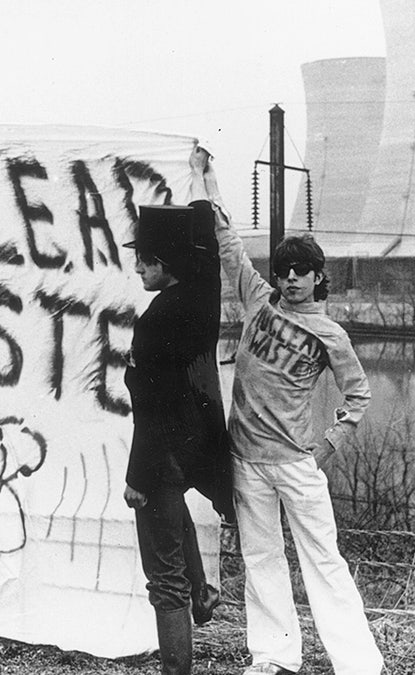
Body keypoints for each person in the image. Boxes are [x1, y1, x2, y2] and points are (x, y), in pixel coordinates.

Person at [201, 153, 382, 674]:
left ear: (320, 277)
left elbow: (358, 394)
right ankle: (275, 657)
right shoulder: (259, 303)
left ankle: (359, 666)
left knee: (324, 561)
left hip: (296, 463)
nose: (292, 279)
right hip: (246, 460)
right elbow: (231, 251)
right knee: (261, 561)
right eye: (284, 271)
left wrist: (330, 443)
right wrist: (211, 182)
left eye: (303, 271)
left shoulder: (330, 334)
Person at [122, 147, 234, 675]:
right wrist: (199, 180)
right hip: (202, 443)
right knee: (177, 519)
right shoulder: (204, 293)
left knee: (161, 579)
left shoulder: (155, 321)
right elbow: (206, 236)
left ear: (162, 263)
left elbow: (152, 408)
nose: (138, 266)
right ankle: (205, 591)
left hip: (164, 452)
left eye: (143, 259)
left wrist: (136, 477)